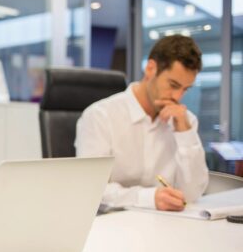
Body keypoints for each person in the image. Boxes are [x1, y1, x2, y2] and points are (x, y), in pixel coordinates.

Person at [75, 35, 209, 211]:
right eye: (173, 85)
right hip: (112, 225)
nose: (177, 97)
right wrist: (149, 198)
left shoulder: (185, 120)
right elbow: (91, 189)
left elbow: (192, 194)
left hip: (165, 224)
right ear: (150, 68)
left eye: (185, 89)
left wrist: (184, 132)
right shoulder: (100, 116)